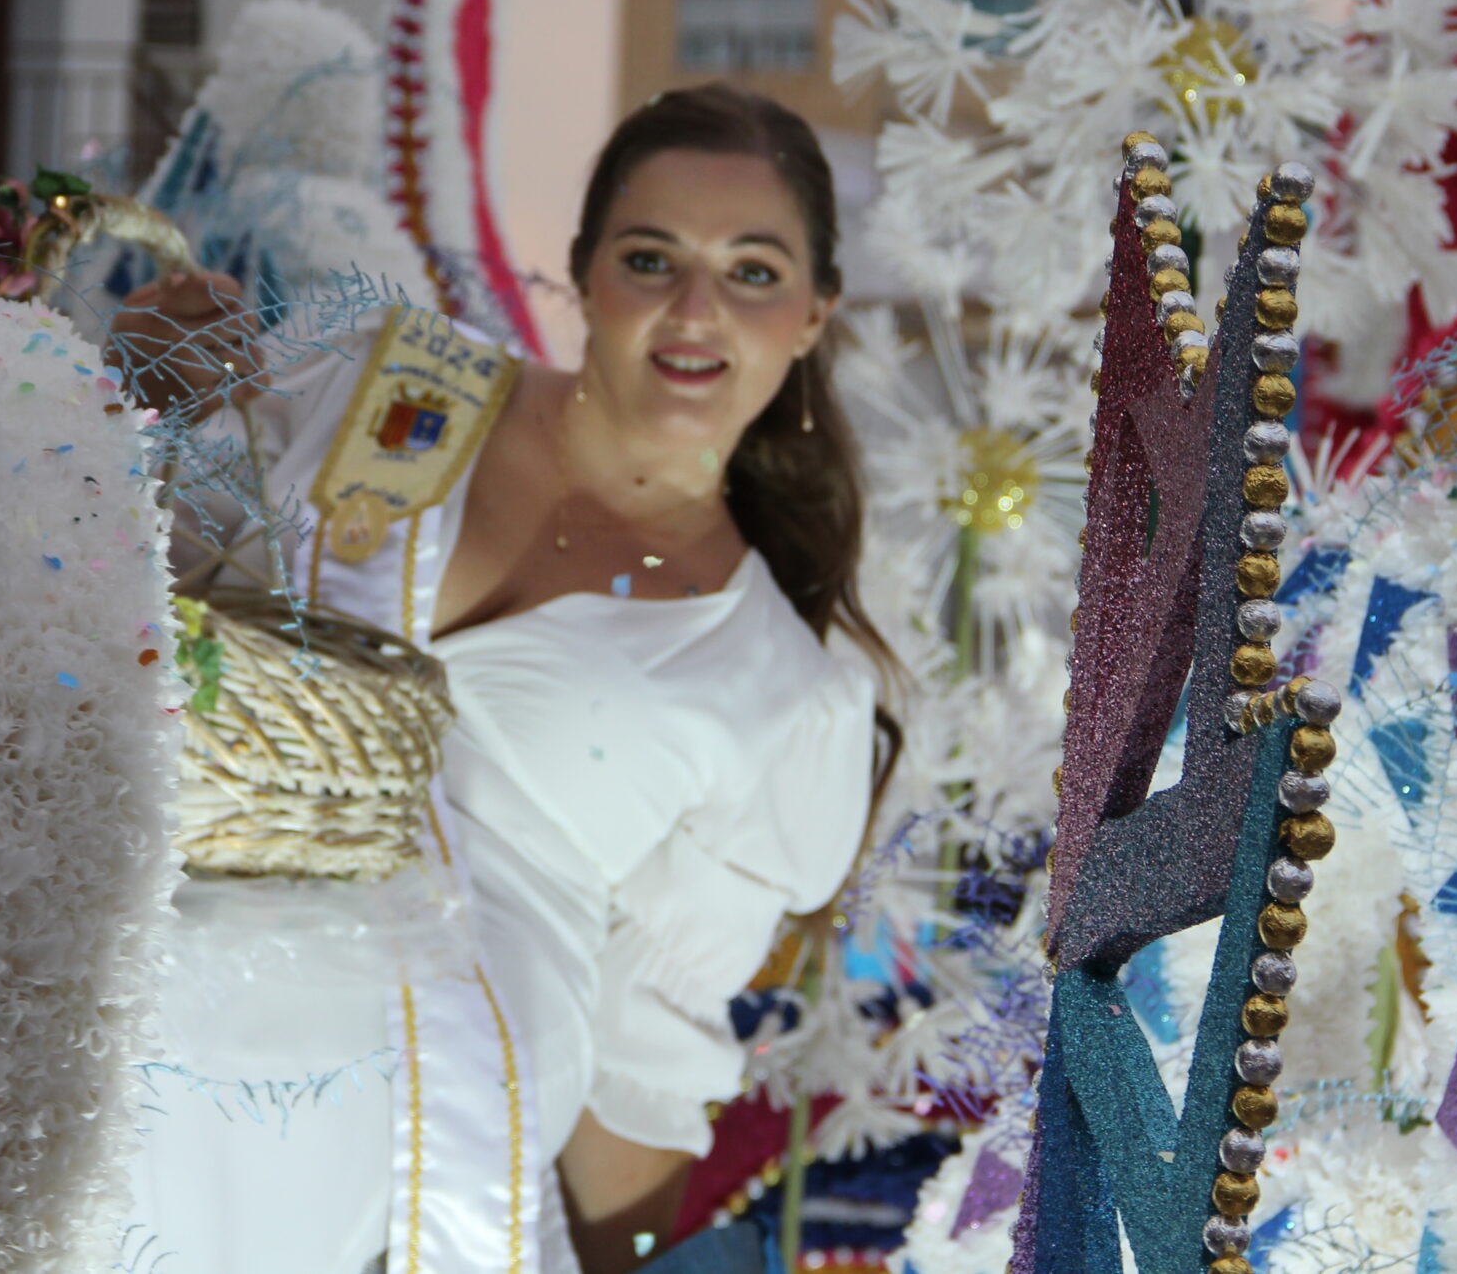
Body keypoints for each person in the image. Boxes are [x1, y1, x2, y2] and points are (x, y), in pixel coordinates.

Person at [119, 83, 887, 1274]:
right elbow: (189, 581)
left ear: (810, 316)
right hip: (129, 990)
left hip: (414, 1168)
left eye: (751, 271)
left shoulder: (788, 697)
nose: (695, 310)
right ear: (582, 274)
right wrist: (152, 396)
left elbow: (642, 1075)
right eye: (651, 257)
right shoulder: (397, 382)